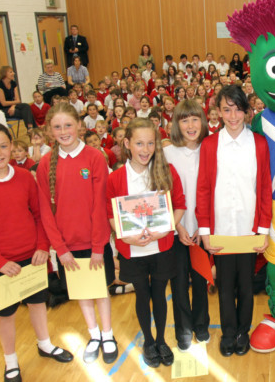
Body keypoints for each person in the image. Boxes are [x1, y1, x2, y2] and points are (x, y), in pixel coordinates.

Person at [0, 122, 73, 382]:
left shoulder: (24, 177)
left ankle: (44, 344)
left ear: (12, 145)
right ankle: (11, 361)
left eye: (3, 146)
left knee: (37, 304)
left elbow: (39, 215)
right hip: (1, 264)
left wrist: (42, 247)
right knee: (7, 315)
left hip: (33, 258)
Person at [36, 103, 118, 365]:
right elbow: (45, 213)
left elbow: (99, 205)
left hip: (95, 243)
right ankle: (93, 335)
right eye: (57, 127)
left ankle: (108, 335)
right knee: (82, 292)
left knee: (100, 291)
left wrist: (97, 247)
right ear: (49, 131)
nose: (63, 131)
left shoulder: (94, 157)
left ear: (80, 126)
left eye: (68, 125)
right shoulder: (45, 163)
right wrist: (60, 250)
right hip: (66, 249)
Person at [196, 85, 271, 357]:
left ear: (248, 112)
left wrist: (263, 230)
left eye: (238, 109)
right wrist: (205, 230)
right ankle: (228, 332)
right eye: (227, 109)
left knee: (247, 287)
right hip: (222, 230)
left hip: (250, 230)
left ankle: (243, 331)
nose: (233, 115)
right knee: (225, 286)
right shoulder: (210, 144)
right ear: (218, 112)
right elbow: (203, 188)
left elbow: (264, 189)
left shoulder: (259, 144)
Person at [107, 118, 185, 368]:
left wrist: (165, 231)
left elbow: (180, 205)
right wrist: (124, 236)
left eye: (150, 143)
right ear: (127, 143)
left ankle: (161, 339)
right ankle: (148, 341)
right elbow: (111, 214)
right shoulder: (115, 178)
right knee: (142, 294)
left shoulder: (166, 171)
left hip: (161, 247)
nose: (145, 149)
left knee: (160, 294)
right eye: (139, 143)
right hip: (133, 249)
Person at [164, 99, 211, 352]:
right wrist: (178, 225)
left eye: (195, 119)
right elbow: (163, 193)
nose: (191, 125)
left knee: (201, 279)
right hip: (176, 230)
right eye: (184, 120)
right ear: (176, 124)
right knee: (179, 281)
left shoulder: (210, 149)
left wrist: (202, 226)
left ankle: (201, 324)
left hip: (202, 229)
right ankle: (183, 329)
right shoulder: (167, 153)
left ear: (202, 122)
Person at [0, 66, 36, 132]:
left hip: (13, 107)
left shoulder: (13, 83)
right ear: (4, 74)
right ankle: (33, 129)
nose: (13, 73)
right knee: (26, 112)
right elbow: (3, 103)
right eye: (11, 72)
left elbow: (18, 100)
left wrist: (13, 106)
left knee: (26, 106)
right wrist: (14, 104)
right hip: (3, 109)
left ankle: (30, 128)